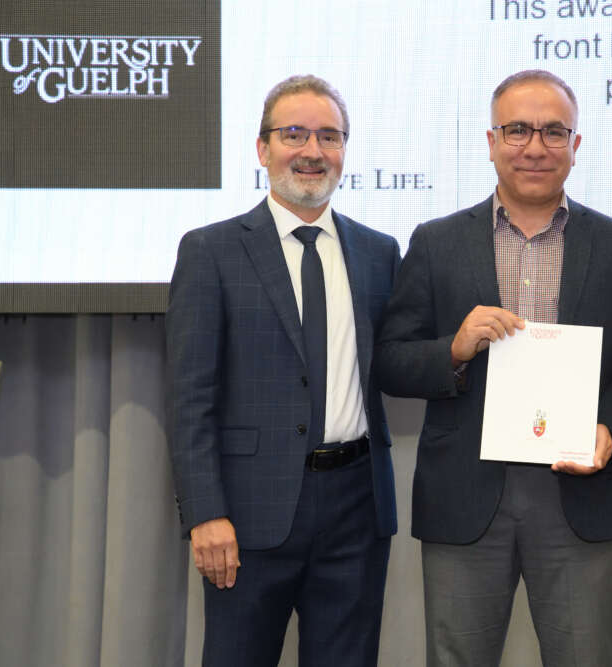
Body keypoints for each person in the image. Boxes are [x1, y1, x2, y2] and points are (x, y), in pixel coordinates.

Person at [375, 69, 612, 667]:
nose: (534, 147)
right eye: (518, 130)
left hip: (580, 492)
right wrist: (453, 348)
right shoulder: (436, 241)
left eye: (554, 132)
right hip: (466, 499)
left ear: (576, 146)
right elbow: (392, 361)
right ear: (491, 140)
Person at [166, 74, 400, 667]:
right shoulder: (210, 250)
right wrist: (206, 513)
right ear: (262, 148)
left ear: (345, 150)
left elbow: (396, 363)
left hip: (356, 509)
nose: (313, 151)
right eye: (294, 134)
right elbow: (189, 397)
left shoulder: (379, 252)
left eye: (329, 136)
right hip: (246, 516)